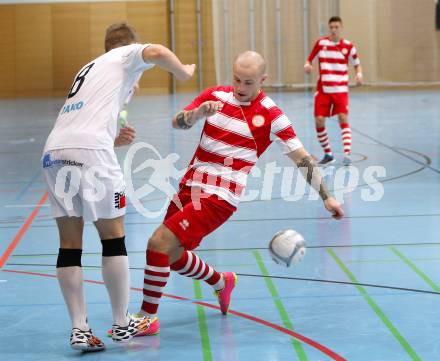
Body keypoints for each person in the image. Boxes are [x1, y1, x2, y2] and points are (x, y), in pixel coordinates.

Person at [128, 50, 344, 335]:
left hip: (219, 197)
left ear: (263, 80)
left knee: (157, 243)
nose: (241, 88)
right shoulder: (215, 96)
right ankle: (221, 281)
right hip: (189, 186)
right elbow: (178, 122)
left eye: (249, 82)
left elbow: (302, 158)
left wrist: (326, 196)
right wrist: (197, 113)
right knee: (168, 254)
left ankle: (147, 318)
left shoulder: (272, 115)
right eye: (237, 80)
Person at [41, 22, 195, 351]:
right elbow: (155, 52)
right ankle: (122, 322)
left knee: (69, 244)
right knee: (114, 239)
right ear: (127, 46)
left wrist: (111, 141)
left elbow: (83, 126)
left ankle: (79, 329)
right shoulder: (125, 55)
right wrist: (183, 71)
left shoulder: (90, 67)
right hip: (90, 153)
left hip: (55, 151)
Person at [304, 16, 363, 166]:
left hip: (340, 89)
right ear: (329, 28)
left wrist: (359, 74)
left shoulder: (349, 46)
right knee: (318, 120)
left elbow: (357, 64)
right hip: (323, 89)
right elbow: (309, 59)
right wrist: (308, 65)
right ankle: (328, 154)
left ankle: (347, 153)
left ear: (341, 27)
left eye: (336, 27)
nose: (334, 30)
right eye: (332, 27)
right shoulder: (321, 43)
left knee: (343, 118)